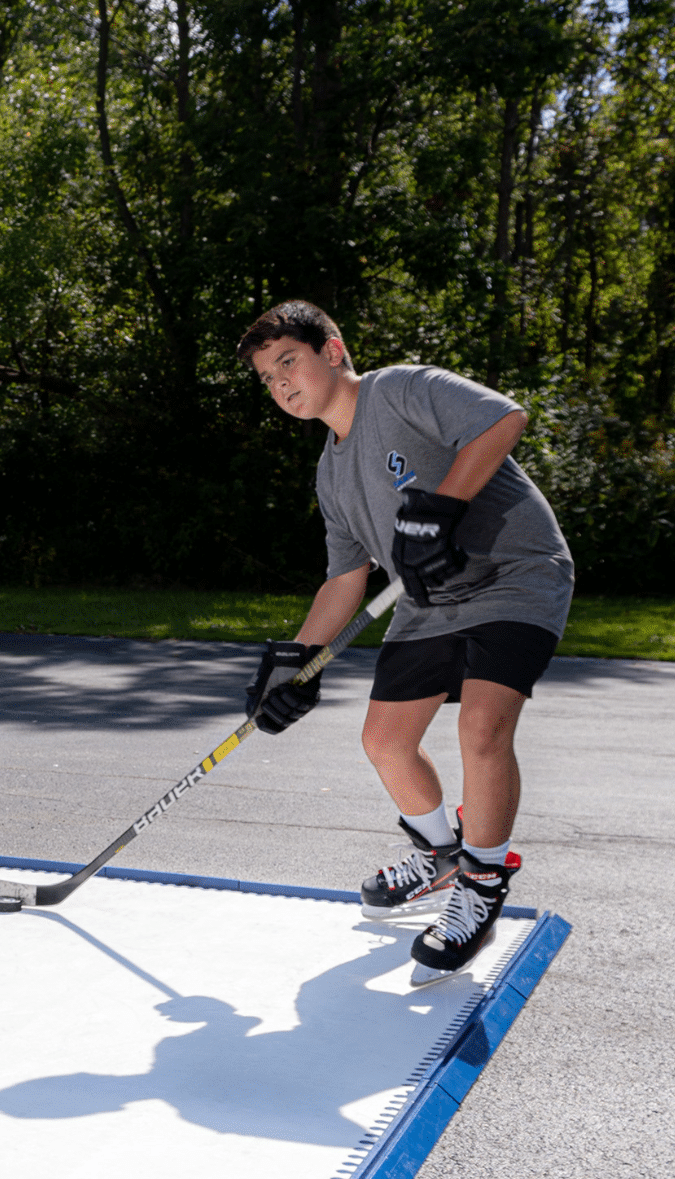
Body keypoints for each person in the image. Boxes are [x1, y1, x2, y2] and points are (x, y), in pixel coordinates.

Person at [234, 301, 573, 980]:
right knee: (384, 740)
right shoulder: (332, 474)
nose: (281, 385)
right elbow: (345, 578)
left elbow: (504, 418)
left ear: (332, 352)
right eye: (268, 378)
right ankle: (440, 851)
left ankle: (481, 880)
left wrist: (441, 507)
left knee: (482, 725)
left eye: (288, 362)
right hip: (430, 601)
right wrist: (298, 662)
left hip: (515, 575)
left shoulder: (401, 389)